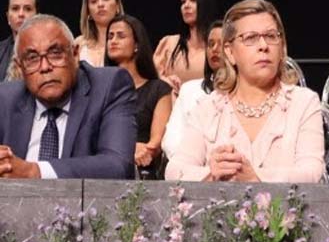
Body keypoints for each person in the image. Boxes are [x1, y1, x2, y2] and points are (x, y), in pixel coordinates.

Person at [165, 0, 326, 183]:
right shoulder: (208, 107)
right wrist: (210, 173)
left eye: (272, 36)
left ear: (282, 48)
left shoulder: (303, 102)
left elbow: (312, 172)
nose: (264, 46)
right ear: (230, 52)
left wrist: (255, 177)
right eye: (250, 38)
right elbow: (174, 170)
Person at [0, 14, 136, 179]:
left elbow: (117, 165)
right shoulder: (5, 99)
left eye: (55, 53)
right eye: (32, 59)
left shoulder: (108, 87)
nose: (45, 67)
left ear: (75, 54)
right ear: (20, 67)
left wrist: (34, 171)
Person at [105, 14, 173, 180]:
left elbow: (156, 143)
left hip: (143, 175)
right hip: (104, 169)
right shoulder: (98, 91)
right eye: (110, 36)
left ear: (136, 45)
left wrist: (140, 151)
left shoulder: (158, 89)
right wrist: (128, 149)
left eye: (121, 36)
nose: (113, 41)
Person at [161, 20, 224, 160]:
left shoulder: (247, 91)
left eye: (222, 43)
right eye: (211, 44)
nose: (215, 49)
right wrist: (191, 164)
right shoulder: (189, 90)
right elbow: (171, 139)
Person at [153, 0, 219, 94]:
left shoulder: (216, 47)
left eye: (193, 0)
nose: (186, 6)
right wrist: (164, 81)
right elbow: (151, 77)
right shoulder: (169, 43)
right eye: (183, 2)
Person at [76, 0, 124, 67]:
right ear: (88, 11)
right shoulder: (79, 44)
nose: (100, 4)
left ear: (117, 5)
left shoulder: (129, 43)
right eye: (94, 1)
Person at [0, 0, 38, 81]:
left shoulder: (48, 50)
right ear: (8, 17)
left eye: (28, 9)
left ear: (37, 16)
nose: (21, 14)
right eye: (15, 8)